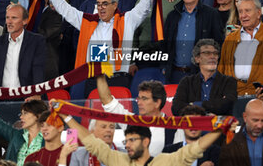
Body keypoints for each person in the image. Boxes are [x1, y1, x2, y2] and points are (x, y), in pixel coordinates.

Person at [56, 99, 237, 166]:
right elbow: (90, 141)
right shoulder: (119, 160)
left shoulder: (165, 161)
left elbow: (195, 148)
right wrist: (66, 116)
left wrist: (219, 130)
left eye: (132, 140)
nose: (127, 144)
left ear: (146, 142)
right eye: (127, 140)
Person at [48, 0, 153, 98]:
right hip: (94, 81)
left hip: (118, 80)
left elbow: (144, 6)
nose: (100, 7)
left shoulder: (127, 20)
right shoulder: (87, 22)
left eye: (105, 4)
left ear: (115, 5)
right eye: (98, 4)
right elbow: (66, 9)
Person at [96, 75, 181, 156]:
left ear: (157, 103)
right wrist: (99, 75)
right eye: (138, 98)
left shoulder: (174, 128)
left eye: (144, 99)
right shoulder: (131, 121)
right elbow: (107, 101)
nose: (139, 102)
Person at [163, 0, 224, 83]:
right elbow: (165, 45)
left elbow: (219, 45)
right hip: (174, 75)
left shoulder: (211, 15)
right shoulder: (172, 16)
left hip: (201, 75)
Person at [218, 0, 263, 95]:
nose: (243, 15)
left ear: (258, 13)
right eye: (240, 11)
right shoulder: (230, 39)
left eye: (247, 11)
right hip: (234, 96)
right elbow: (221, 71)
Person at [130, 0, 182, 75]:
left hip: (169, 55)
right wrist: (131, 61)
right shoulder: (140, 1)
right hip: (144, 56)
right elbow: (134, 31)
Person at [0, 4, 46, 96]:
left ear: (25, 21)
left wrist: (36, 94)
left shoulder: (36, 41)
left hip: (27, 97)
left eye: (14, 18)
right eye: (7, 17)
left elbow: (38, 69)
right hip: (2, 97)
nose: (9, 22)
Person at [172, 39, 237, 116]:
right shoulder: (187, 82)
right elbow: (176, 108)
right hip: (193, 126)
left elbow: (227, 105)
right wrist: (212, 106)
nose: (212, 56)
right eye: (207, 53)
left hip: (219, 126)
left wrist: (193, 104)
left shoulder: (229, 81)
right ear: (197, 58)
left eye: (215, 53)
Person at [0, 100, 48, 166]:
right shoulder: (16, 135)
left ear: (38, 116)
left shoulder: (48, 139)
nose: (21, 117)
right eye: (21, 113)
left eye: (25, 113)